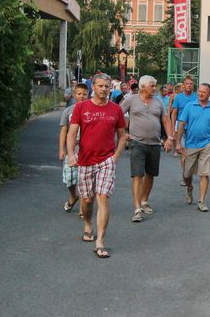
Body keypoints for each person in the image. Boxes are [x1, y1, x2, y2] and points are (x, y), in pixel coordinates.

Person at [67, 73, 127, 258]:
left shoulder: (116, 110)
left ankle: (100, 241)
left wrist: (116, 156)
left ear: (110, 88)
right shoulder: (81, 107)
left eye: (106, 86)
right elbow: (72, 133)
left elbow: (122, 136)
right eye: (100, 86)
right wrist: (71, 154)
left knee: (103, 197)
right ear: (93, 87)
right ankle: (87, 223)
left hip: (106, 160)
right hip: (85, 160)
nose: (103, 89)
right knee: (87, 200)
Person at [120, 75, 174, 222]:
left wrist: (170, 138)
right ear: (143, 87)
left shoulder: (158, 102)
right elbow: (118, 114)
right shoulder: (131, 100)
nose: (155, 88)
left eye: (155, 85)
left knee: (150, 174)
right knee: (138, 175)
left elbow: (165, 119)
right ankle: (137, 208)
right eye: (152, 86)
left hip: (155, 143)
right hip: (137, 142)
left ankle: (144, 201)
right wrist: (123, 133)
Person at [175, 83, 210, 212]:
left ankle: (202, 201)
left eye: (204, 92)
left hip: (206, 144)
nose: (201, 94)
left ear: (209, 94)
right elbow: (181, 124)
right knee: (187, 174)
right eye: (199, 91)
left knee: (204, 173)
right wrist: (178, 142)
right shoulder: (190, 106)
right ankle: (189, 187)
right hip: (190, 144)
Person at [59, 83, 88, 213]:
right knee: (70, 179)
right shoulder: (68, 111)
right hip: (71, 149)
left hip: (86, 149)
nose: (82, 96)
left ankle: (83, 208)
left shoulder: (90, 109)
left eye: (84, 94)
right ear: (74, 95)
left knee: (83, 178)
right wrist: (62, 149)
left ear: (88, 95)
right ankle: (73, 196)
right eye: (79, 94)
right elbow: (63, 131)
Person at [171, 76, 198, 182]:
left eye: (191, 84)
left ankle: (188, 172)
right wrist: (173, 129)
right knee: (184, 153)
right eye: (187, 84)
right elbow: (174, 114)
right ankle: (185, 175)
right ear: (184, 85)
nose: (189, 85)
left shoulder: (196, 97)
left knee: (192, 154)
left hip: (193, 129)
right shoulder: (178, 97)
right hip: (181, 128)